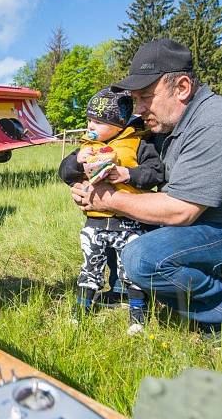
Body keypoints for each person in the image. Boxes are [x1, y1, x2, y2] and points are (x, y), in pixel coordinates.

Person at [71, 38, 222, 349]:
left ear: (182, 87)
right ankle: (130, 290)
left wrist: (105, 199)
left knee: (142, 257)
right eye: (134, 99)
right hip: (207, 226)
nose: (138, 109)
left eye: (145, 97)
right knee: (127, 235)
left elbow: (179, 211)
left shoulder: (217, 124)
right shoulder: (168, 121)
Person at [59, 88, 164, 333]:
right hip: (94, 223)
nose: (90, 125)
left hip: (128, 222)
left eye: (97, 121)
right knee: (90, 266)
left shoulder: (138, 143)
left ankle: (138, 314)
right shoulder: (87, 146)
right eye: (89, 120)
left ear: (118, 123)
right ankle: (81, 310)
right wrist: (76, 162)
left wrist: (128, 174)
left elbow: (156, 172)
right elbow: (64, 173)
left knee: (130, 269)